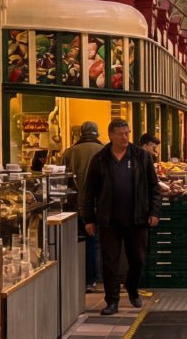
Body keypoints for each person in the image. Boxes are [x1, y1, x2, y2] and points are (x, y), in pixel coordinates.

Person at [80, 119, 160, 315]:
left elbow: (154, 187)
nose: (125, 137)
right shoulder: (100, 159)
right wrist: (88, 218)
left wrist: (154, 212)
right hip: (109, 220)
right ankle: (112, 300)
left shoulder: (142, 157)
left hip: (137, 218)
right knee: (109, 261)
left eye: (127, 133)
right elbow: (89, 191)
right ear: (111, 135)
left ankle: (132, 288)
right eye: (121, 134)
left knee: (138, 259)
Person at [60, 122, 106, 293]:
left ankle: (81, 278)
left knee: (81, 241)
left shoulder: (70, 152)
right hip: (101, 205)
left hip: (76, 206)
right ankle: (95, 278)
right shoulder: (105, 151)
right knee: (97, 242)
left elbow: (61, 180)